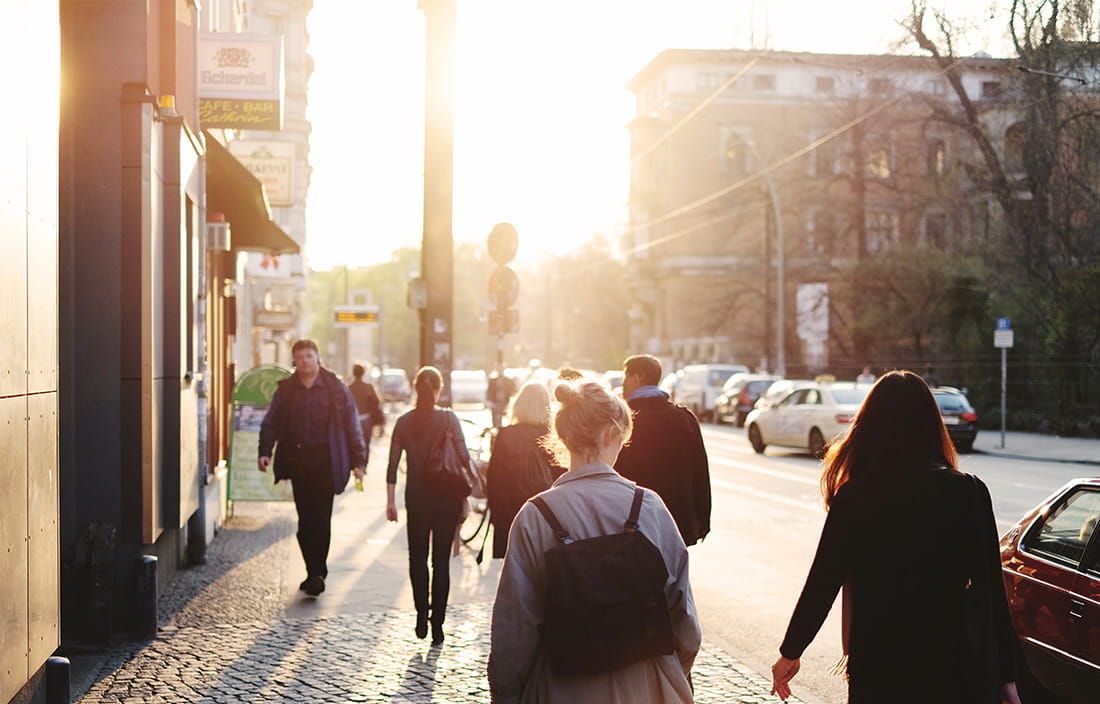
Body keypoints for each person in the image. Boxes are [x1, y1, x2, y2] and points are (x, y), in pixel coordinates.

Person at [770, 370, 1020, 704]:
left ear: (869, 428)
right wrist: (1006, 676)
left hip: (878, 663)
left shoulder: (856, 497)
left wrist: (791, 651)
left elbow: (823, 582)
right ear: (932, 425)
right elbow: (991, 592)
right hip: (952, 664)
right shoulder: (969, 493)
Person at [488, 380, 701, 702]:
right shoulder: (648, 507)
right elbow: (682, 612)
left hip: (560, 687)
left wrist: (506, 695)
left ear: (563, 436)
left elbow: (516, 626)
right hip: (646, 685)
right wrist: (675, 672)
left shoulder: (535, 516)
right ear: (608, 435)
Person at [258, 339, 366, 597]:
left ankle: (318, 572)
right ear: (294, 361)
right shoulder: (286, 391)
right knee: (305, 521)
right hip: (298, 464)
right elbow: (271, 421)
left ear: (318, 358)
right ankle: (312, 570)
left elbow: (352, 425)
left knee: (321, 518)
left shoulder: (336, 389)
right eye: (300, 357)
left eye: (309, 356)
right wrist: (264, 451)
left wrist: (358, 461)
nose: (305, 361)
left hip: (326, 464)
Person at [386, 366, 470, 645]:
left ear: (414, 387)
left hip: (417, 498)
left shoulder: (404, 422)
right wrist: (469, 491)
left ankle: (421, 615)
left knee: (417, 558)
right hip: (447, 497)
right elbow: (463, 458)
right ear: (438, 389)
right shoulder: (448, 419)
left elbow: (392, 465)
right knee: (441, 561)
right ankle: (438, 626)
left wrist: (390, 502)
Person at [614, 354, 711, 546]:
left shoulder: (624, 420)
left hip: (633, 521)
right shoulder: (684, 418)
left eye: (626, 377)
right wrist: (702, 518)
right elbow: (700, 472)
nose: (623, 384)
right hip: (677, 519)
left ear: (637, 377)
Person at [486, 381, 564, 559]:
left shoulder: (506, 435)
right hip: (547, 514)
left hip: (512, 513)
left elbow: (495, 481)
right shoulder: (553, 437)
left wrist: (497, 516)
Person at [348, 363, 383, 445]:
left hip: (353, 421)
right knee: (366, 445)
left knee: (354, 445)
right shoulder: (368, 387)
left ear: (353, 373)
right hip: (367, 419)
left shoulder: (349, 388)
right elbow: (377, 401)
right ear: (363, 373)